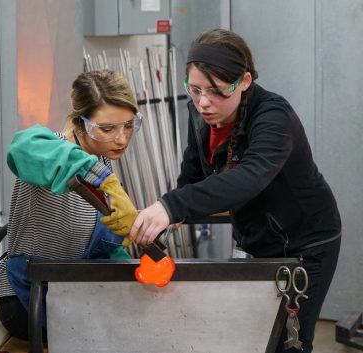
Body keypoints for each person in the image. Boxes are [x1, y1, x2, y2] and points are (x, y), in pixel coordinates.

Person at [129, 29, 341, 353]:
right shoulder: (200, 114)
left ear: (244, 81)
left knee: (289, 341)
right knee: (251, 336)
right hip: (256, 235)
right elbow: (193, 173)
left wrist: (173, 205)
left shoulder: (273, 117)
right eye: (195, 88)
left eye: (215, 91)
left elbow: (249, 177)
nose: (203, 102)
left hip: (305, 241)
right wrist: (167, 215)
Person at [0, 69, 141, 341]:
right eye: (108, 129)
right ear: (80, 121)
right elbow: (19, 147)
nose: (121, 138)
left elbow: (102, 247)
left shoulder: (102, 160)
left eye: (129, 125)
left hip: (73, 291)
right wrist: (100, 178)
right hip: (27, 298)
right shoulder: (49, 152)